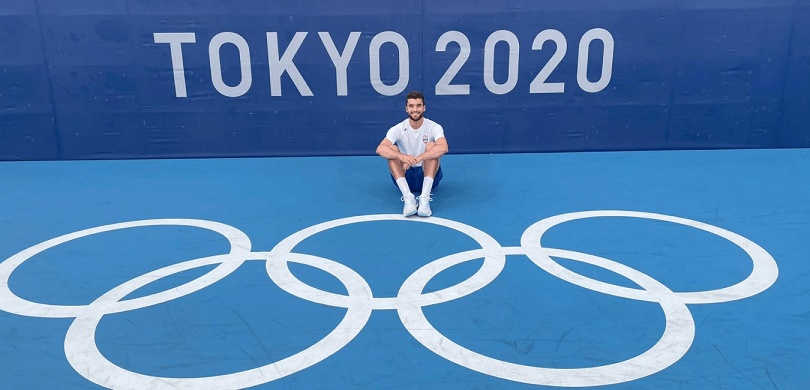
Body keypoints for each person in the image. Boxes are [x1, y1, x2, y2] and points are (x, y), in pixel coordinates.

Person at [376, 91, 448, 217]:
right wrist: (402, 156)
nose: (415, 109)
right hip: (405, 173)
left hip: (428, 174)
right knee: (392, 150)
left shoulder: (433, 126)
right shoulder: (398, 128)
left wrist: (419, 157)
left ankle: (424, 199)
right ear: (406, 109)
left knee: (432, 146)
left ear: (424, 107)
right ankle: (408, 198)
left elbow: (444, 147)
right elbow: (380, 149)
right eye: (411, 106)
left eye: (418, 106)